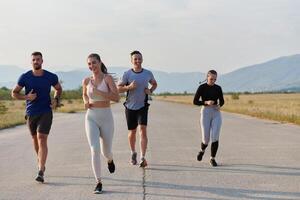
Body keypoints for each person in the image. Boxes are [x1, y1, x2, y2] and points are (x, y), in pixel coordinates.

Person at [11, 51, 62, 183]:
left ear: (42, 61)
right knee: (35, 140)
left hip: (46, 111)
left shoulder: (50, 76)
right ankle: (41, 163)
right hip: (31, 112)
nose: (36, 62)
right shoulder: (25, 77)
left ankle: (40, 170)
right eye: (33, 60)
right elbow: (14, 93)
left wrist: (56, 100)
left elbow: (58, 88)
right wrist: (26, 97)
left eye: (38, 59)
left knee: (41, 138)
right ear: (31, 61)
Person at [82, 53, 120, 194]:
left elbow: (116, 98)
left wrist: (99, 92)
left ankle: (110, 160)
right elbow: (84, 94)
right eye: (89, 64)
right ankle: (98, 182)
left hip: (106, 117)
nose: (92, 66)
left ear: (100, 63)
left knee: (106, 151)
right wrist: (86, 101)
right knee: (94, 149)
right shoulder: (86, 81)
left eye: (94, 63)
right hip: (91, 117)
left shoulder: (107, 78)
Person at [117, 50, 157, 168]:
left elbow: (154, 84)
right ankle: (133, 152)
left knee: (143, 130)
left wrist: (150, 91)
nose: (137, 61)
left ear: (142, 60)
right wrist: (129, 87)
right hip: (130, 107)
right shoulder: (127, 74)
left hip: (143, 106)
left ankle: (142, 157)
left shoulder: (148, 73)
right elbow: (118, 88)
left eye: (139, 59)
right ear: (131, 61)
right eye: (135, 59)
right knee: (132, 132)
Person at [193, 70, 224, 167]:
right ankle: (202, 150)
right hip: (205, 112)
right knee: (206, 139)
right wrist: (206, 102)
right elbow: (195, 101)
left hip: (216, 112)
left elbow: (222, 101)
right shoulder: (202, 87)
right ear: (207, 77)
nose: (213, 81)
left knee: (215, 137)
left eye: (215, 79)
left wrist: (219, 105)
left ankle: (212, 158)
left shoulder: (218, 88)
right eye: (211, 79)